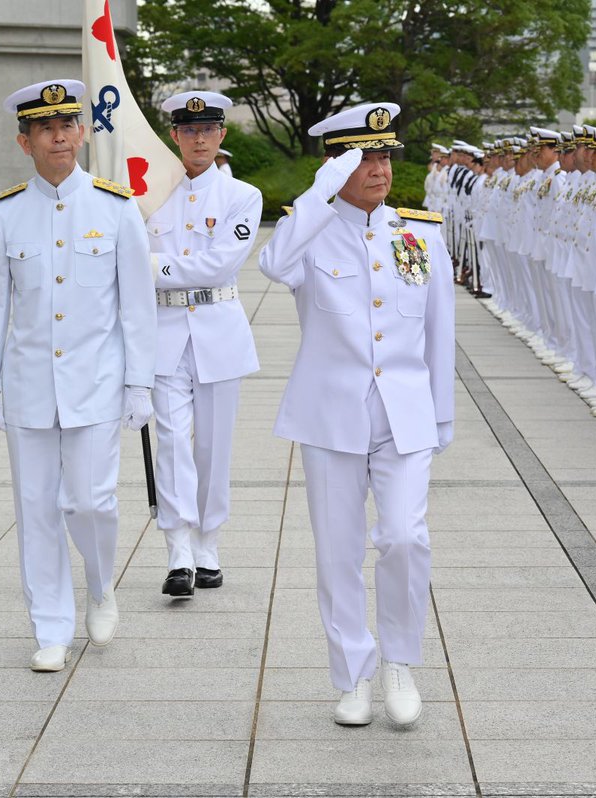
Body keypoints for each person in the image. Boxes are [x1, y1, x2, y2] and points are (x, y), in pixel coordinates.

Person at [258, 102, 454, 728]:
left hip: (403, 413)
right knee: (337, 552)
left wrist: (440, 415)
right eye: (363, 157)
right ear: (335, 163)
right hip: (330, 414)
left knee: (404, 537)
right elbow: (272, 265)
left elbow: (437, 331)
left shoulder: (419, 234)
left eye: (384, 156)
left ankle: (399, 660)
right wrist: (317, 193)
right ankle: (352, 674)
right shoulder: (306, 232)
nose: (379, 168)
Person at [0, 78, 155, 671]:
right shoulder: (4, 215)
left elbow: (136, 307)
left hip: (97, 386)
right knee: (37, 509)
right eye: (44, 128)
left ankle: (101, 586)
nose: (58, 136)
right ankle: (50, 626)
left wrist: (140, 383)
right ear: (25, 142)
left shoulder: (116, 207)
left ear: (81, 132)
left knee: (91, 502)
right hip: (28, 388)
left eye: (66, 125)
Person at [148, 91, 262, 598]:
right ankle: (178, 550)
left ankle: (208, 542)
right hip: (163, 331)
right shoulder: (149, 193)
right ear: (174, 136)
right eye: (188, 130)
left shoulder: (243, 196)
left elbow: (219, 266)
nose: (198, 138)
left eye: (207, 130)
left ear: (221, 135)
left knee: (213, 445)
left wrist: (152, 269)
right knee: (171, 441)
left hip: (217, 329)